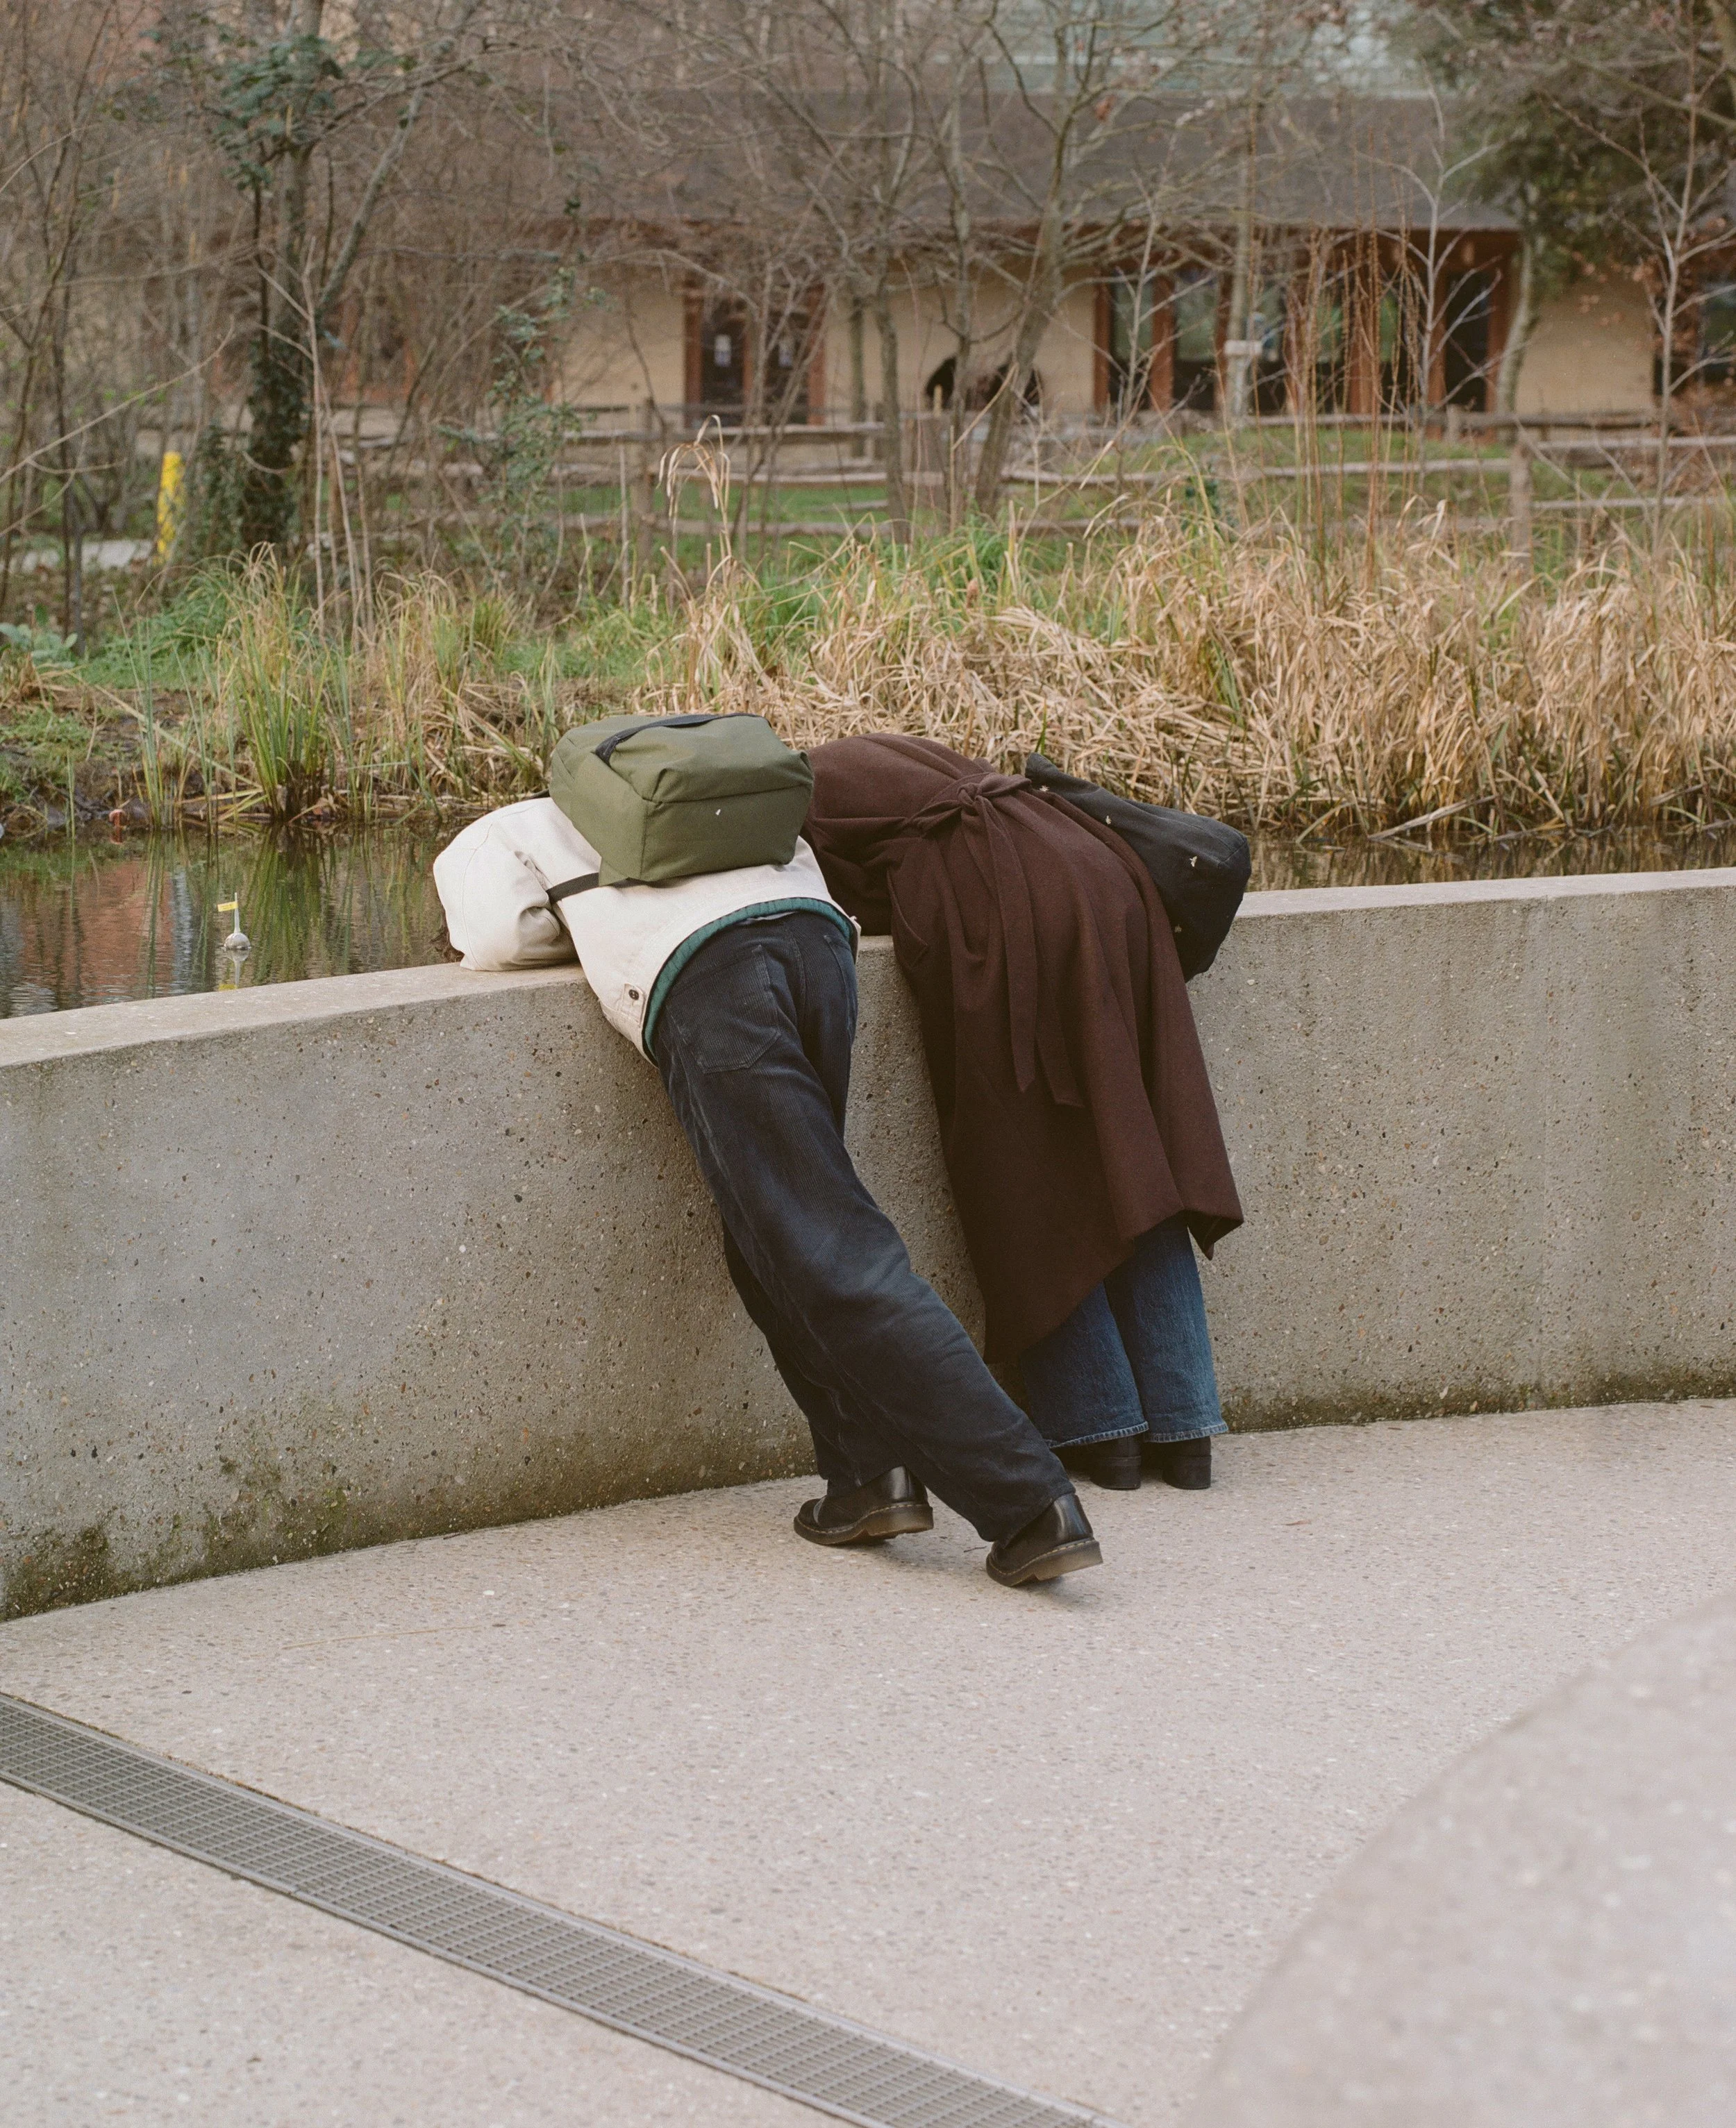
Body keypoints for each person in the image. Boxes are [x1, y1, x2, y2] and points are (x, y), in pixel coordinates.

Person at [434, 791, 1101, 1587]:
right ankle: (868, 1474)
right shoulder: (706, 794)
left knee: (830, 1247)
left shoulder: (503, 830)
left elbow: (503, 934)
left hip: (716, 980)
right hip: (817, 948)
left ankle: (1032, 1504)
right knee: (772, 1238)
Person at [801, 734, 1244, 1494]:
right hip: (1101, 876)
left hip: (1004, 903)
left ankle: (1100, 1426)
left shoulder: (793, 798)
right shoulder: (890, 750)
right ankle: (1186, 1423)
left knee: (1024, 1162)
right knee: (1139, 1150)